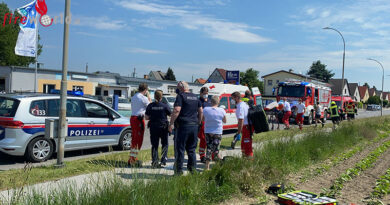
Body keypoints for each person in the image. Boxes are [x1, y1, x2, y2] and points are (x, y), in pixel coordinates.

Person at [169, 81, 203, 175]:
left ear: (181, 88)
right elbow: (200, 111)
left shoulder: (181, 96)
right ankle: (192, 170)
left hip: (183, 126)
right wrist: (199, 122)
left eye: (177, 88)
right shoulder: (195, 97)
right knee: (191, 150)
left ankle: (178, 172)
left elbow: (176, 110)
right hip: (194, 126)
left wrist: (171, 123)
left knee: (180, 149)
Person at [145, 90, 171, 168]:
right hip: (163, 127)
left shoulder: (150, 105)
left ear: (154, 96)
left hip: (153, 127)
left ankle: (155, 161)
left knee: (154, 145)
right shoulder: (165, 105)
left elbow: (146, 117)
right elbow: (170, 114)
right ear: (161, 96)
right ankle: (163, 160)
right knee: (165, 144)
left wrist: (153, 116)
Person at [128, 83, 151, 167]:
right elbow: (150, 106)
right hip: (139, 119)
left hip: (133, 118)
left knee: (134, 139)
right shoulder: (143, 98)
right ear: (145, 90)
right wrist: (148, 96)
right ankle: (132, 159)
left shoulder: (134, 97)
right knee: (138, 140)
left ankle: (133, 157)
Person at [203, 96, 227, 170]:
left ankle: (207, 167)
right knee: (216, 149)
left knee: (209, 148)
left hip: (208, 131)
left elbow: (203, 119)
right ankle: (217, 166)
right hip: (217, 132)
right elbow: (225, 121)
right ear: (218, 102)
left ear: (211, 101)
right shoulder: (222, 110)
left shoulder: (206, 109)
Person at [231, 91, 253, 158]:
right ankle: (244, 159)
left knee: (247, 146)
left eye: (232, 98)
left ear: (237, 98)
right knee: (243, 145)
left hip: (246, 127)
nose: (231, 100)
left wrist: (238, 132)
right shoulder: (243, 104)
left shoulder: (240, 106)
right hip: (247, 127)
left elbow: (241, 120)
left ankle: (249, 161)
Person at [198, 87, 211, 163]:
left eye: (207, 93)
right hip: (202, 123)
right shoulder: (199, 101)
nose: (206, 95)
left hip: (209, 122)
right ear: (201, 93)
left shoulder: (209, 101)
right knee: (203, 139)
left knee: (209, 140)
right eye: (204, 93)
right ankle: (202, 156)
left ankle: (210, 155)